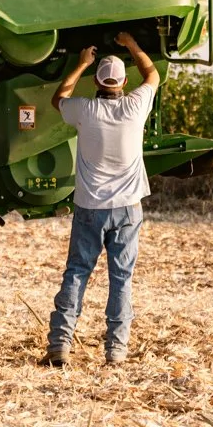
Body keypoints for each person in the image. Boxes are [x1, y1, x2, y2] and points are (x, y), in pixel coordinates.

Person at [44, 30, 159, 367]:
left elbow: (58, 98)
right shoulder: (135, 106)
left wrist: (80, 65)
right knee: (121, 278)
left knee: (77, 273)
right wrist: (132, 43)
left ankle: (60, 346)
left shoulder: (86, 110)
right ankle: (116, 352)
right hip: (127, 208)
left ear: (97, 81)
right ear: (123, 83)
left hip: (90, 207)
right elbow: (152, 74)